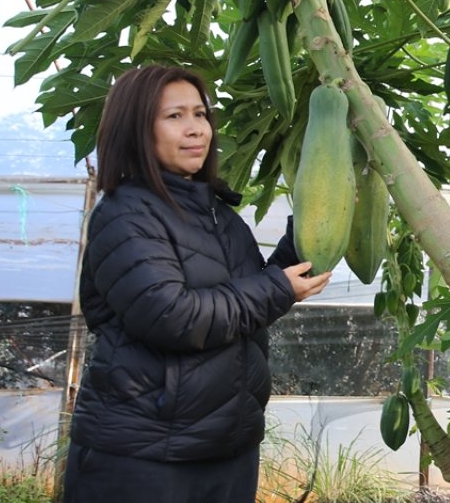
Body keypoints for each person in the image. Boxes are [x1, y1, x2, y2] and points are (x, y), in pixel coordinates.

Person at [63, 65, 332, 502]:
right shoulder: (125, 214)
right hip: (144, 459)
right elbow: (173, 316)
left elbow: (250, 295)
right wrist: (278, 289)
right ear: (136, 130)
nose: (196, 130)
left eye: (201, 114)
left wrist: (314, 222)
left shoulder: (218, 216)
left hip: (227, 450)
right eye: (175, 117)